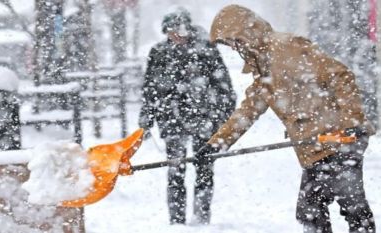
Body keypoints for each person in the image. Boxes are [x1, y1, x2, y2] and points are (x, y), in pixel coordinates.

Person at [197, 4, 376, 233]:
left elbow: (340, 76)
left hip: (338, 138)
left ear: (245, 32)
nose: (233, 47)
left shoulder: (285, 47)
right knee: (321, 208)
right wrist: (216, 144)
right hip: (317, 144)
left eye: (233, 40)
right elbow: (247, 111)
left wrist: (351, 121)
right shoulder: (263, 66)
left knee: (335, 207)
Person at [138, 8, 236, 225]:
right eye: (171, 31)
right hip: (171, 119)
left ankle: (202, 218)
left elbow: (224, 87)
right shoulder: (159, 52)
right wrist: (146, 118)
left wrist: (223, 118)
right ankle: (177, 221)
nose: (176, 35)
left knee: (204, 169)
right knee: (175, 172)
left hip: (204, 119)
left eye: (180, 29)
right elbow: (150, 89)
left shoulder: (206, 50)